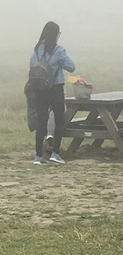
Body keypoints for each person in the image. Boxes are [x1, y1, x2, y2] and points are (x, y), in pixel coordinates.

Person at [29, 22, 75, 165]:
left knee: (41, 121)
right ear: (56, 35)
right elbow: (71, 67)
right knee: (59, 120)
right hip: (55, 88)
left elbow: (31, 66)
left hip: (40, 89)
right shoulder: (59, 50)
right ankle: (55, 153)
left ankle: (38, 156)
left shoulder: (37, 50)